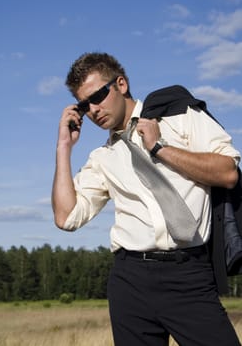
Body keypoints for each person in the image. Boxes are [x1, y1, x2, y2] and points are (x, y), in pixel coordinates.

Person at [51, 52, 241, 346]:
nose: (94, 110)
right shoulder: (102, 158)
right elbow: (66, 217)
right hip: (130, 280)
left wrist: (159, 148)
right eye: (84, 105)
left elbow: (228, 172)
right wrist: (64, 147)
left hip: (188, 274)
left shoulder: (178, 113)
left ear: (121, 84)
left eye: (99, 96)